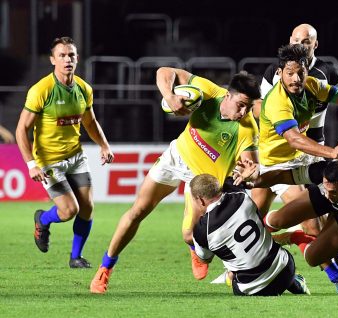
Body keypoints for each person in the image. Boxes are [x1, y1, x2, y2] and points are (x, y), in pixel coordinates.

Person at [90, 67, 261, 294]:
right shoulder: (210, 92)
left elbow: (251, 166)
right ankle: (105, 268)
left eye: (249, 107)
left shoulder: (247, 128)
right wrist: (169, 97)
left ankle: (195, 247)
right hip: (176, 157)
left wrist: (250, 175)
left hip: (202, 181)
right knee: (138, 211)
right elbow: (164, 71)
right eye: (241, 105)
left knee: (188, 234)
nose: (244, 112)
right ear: (227, 95)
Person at [255, 23, 338, 274]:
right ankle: (238, 264)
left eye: (306, 41)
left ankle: (333, 266)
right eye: (296, 40)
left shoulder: (327, 73)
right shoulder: (276, 72)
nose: (300, 45)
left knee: (317, 212)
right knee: (257, 215)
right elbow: (259, 111)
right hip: (280, 154)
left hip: (312, 152)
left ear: (316, 44)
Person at [15, 37, 114, 268]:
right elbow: (21, 129)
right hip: (49, 161)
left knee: (87, 208)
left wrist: (104, 145)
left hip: (76, 157)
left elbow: (91, 122)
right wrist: (31, 164)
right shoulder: (41, 90)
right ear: (53, 60)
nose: (67, 59)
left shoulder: (84, 88)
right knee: (70, 210)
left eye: (71, 55)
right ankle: (42, 219)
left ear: (77, 58)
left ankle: (75, 257)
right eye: (62, 55)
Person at [241, 159, 338, 293]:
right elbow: (281, 176)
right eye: (326, 187)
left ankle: (296, 236)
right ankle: (262, 231)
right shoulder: (321, 172)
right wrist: (252, 181)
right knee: (278, 221)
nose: (329, 195)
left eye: (333, 191)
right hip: (323, 196)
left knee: (313, 258)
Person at [190, 173, 312, 296]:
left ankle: (230, 275)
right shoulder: (240, 195)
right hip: (286, 269)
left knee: (236, 268)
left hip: (253, 289)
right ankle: (295, 284)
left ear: (200, 200)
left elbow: (204, 259)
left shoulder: (201, 230)